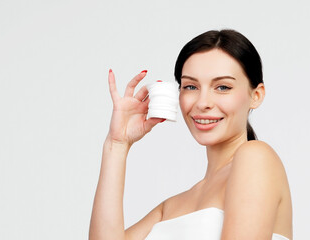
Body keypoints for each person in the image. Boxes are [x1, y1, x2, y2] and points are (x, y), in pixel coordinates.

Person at [89, 29, 293, 240]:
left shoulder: (256, 157)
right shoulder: (170, 208)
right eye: (191, 86)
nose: (202, 103)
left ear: (256, 96)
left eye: (222, 87)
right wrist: (117, 145)